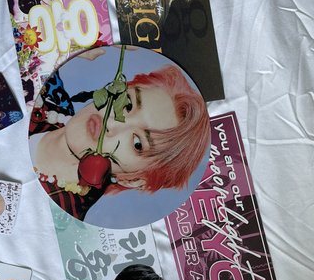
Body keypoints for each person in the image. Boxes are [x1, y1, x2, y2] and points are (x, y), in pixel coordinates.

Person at [29, 60, 210, 221]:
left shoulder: (58, 221)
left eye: (137, 143)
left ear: (133, 179)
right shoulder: (47, 87)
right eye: (128, 104)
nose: (112, 123)